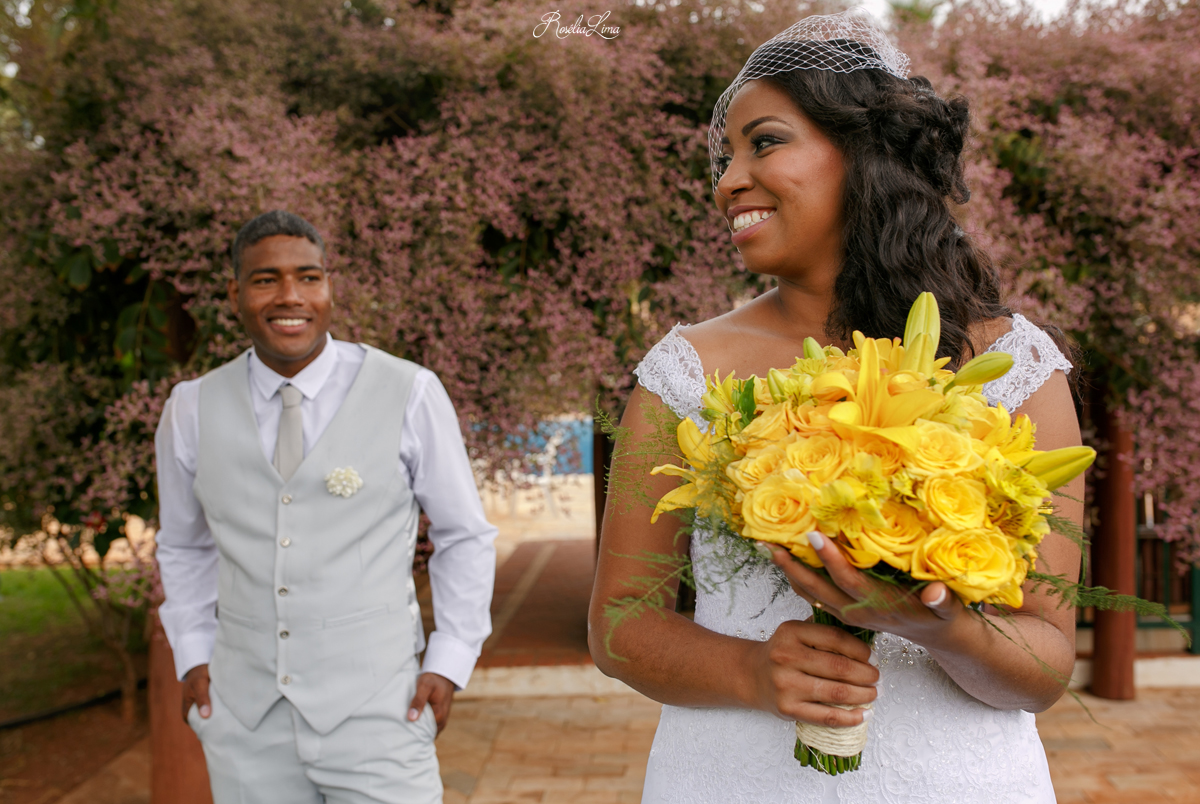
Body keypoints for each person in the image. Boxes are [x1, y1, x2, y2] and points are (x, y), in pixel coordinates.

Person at [588, 10, 1082, 804]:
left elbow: (1047, 664)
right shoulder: (685, 374)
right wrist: (751, 671)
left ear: (864, 152)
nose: (728, 181)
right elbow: (619, 625)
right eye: (726, 156)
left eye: (764, 142)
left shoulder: (1012, 369)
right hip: (732, 778)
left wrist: (942, 627)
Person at [155, 210, 498, 803]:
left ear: (328, 287)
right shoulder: (190, 407)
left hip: (380, 711)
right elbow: (183, 545)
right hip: (244, 718)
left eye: (308, 277)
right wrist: (191, 653)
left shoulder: (409, 391)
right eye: (266, 279)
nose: (290, 296)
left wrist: (450, 658)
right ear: (235, 294)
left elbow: (464, 534)